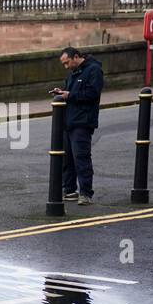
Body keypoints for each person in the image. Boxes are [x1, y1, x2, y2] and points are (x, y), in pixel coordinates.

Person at [52, 47, 104, 205]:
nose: (66, 67)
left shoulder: (94, 70)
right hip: (69, 121)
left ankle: (86, 193)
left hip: (83, 121)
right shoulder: (74, 72)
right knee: (67, 159)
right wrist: (61, 92)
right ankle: (69, 191)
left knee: (81, 158)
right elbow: (71, 92)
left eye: (67, 63)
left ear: (75, 57)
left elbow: (93, 94)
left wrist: (70, 95)